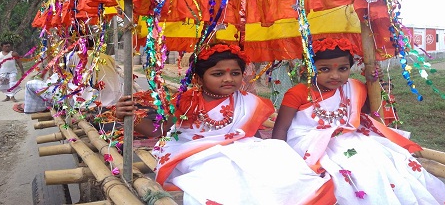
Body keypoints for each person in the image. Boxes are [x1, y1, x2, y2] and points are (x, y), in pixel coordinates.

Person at [116, 42, 336, 205]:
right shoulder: (188, 100)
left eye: (235, 73)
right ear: (200, 79)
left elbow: (249, 135)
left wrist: (258, 154)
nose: (228, 79)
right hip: (193, 151)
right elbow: (164, 130)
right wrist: (130, 118)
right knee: (225, 171)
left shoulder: (249, 102)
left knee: (275, 153)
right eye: (218, 74)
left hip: (237, 148)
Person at [271, 37, 445, 204]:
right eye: (324, 69)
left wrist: (377, 86)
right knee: (345, 169)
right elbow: (281, 128)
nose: (335, 75)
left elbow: (366, 112)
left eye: (343, 69)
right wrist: (280, 158)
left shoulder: (353, 86)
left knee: (387, 159)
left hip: (349, 136)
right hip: (309, 142)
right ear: (309, 68)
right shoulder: (298, 93)